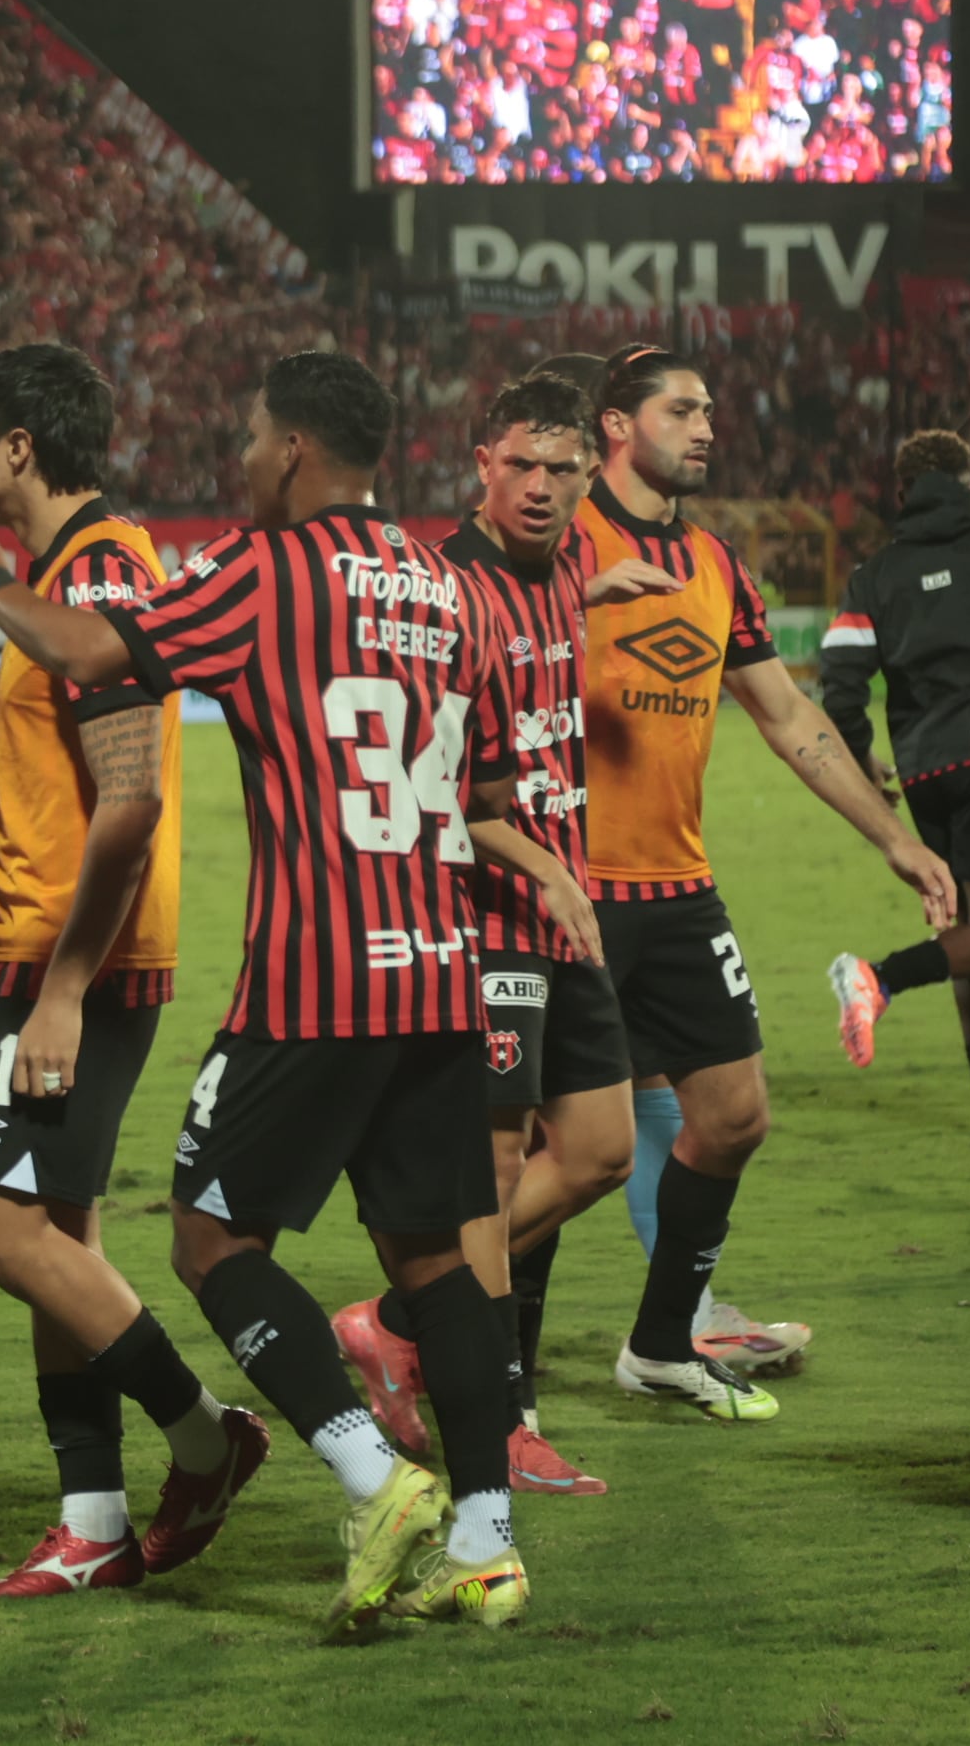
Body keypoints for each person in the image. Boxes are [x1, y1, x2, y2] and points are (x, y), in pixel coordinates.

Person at [0, 350, 566, 1629]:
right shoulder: (461, 590)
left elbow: (86, 644)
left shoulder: (268, 570)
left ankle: (365, 1470)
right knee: (440, 1264)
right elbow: (492, 790)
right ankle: (489, 1542)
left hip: (316, 976)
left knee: (208, 1236)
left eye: (245, 432)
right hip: (445, 968)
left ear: (291, 448)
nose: (237, 457)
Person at [0, 343, 265, 1598]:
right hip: (49, 945)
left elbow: (127, 807)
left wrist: (63, 993)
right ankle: (93, 1520)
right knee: (56, 1238)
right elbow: (51, 799)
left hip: (67, 963)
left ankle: (205, 1436)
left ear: (20, 448)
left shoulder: (101, 581)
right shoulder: (75, 583)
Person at [575, 345, 954, 1419]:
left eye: (709, 410)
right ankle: (464, 1366)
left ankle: (663, 1340)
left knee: (731, 1113)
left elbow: (789, 717)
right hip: (568, 887)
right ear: (616, 424)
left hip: (677, 888)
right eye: (680, 409)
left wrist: (894, 837)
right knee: (562, 1152)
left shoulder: (715, 565)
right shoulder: (556, 543)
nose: (705, 427)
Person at [334, 371, 660, 1498]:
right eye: (520, 464)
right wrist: (550, 880)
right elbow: (455, 802)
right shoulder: (444, 590)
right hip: (488, 915)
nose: (540, 486)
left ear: (588, 477)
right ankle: (501, 1416)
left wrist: (605, 585)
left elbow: (568, 609)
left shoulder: (569, 563)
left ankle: (392, 1319)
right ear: (481, 463)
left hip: (561, 907)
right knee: (496, 1171)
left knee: (605, 1149)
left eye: (563, 470)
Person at [821, 430, 970, 1135]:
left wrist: (862, 758)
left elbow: (842, 682)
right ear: (967, 477)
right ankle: (876, 978)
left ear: (902, 492)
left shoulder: (875, 575)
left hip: (925, 772)